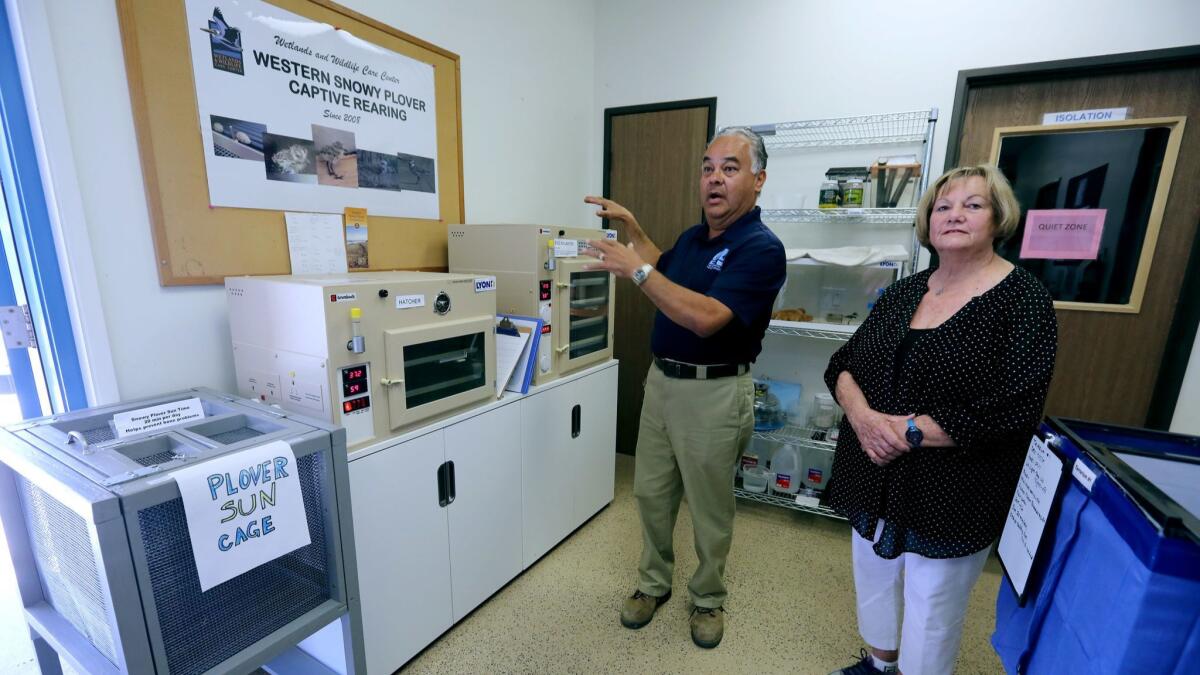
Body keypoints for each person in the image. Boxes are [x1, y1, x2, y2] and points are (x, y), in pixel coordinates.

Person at [824, 165, 1057, 675]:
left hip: (954, 487)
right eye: (943, 206)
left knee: (933, 603)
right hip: (875, 470)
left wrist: (906, 431)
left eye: (972, 205)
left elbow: (1011, 409)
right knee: (874, 575)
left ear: (999, 219)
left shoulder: (1024, 300)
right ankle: (880, 665)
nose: (954, 215)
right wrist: (864, 420)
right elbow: (843, 364)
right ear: (927, 222)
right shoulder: (906, 292)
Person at [582, 126, 785, 649]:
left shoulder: (760, 249)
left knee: (710, 507)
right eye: (707, 167)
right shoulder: (696, 240)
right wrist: (635, 231)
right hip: (662, 383)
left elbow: (705, 317)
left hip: (714, 394)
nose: (714, 178)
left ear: (758, 180)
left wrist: (639, 270)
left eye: (730, 168)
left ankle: (709, 598)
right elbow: (665, 270)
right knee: (650, 493)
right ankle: (653, 584)